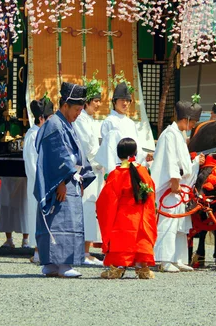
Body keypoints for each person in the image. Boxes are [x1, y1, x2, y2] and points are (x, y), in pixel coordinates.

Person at [34, 81, 95, 278]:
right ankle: (61, 264)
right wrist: (60, 182)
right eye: (77, 109)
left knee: (64, 220)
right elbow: (55, 155)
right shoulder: (54, 124)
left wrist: (82, 178)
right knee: (61, 220)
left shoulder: (66, 123)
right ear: (65, 105)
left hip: (70, 179)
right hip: (61, 181)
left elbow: (78, 154)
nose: (79, 113)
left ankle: (52, 264)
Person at [152, 100, 205, 273]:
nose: (193, 126)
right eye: (193, 122)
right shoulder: (169, 134)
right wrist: (174, 181)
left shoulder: (179, 134)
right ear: (187, 118)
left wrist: (195, 163)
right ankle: (164, 259)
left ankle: (178, 258)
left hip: (179, 187)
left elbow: (183, 163)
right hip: (171, 187)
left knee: (181, 224)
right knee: (168, 222)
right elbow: (171, 160)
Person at [97, 138, 157, 279]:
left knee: (122, 240)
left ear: (119, 154)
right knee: (141, 239)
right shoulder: (143, 171)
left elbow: (106, 199)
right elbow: (151, 194)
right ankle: (143, 268)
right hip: (141, 214)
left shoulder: (116, 174)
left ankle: (118, 267)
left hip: (123, 216)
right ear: (135, 152)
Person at [73, 74, 104, 266]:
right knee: (85, 209)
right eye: (95, 101)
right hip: (88, 169)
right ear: (86, 103)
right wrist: (102, 158)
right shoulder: (82, 121)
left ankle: (87, 250)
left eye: (100, 101)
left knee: (91, 210)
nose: (98, 104)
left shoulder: (92, 121)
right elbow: (87, 148)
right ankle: (82, 252)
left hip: (96, 168)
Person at [95, 76, 153, 174]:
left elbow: (136, 145)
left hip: (131, 166)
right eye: (122, 100)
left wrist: (144, 155)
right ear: (114, 101)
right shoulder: (109, 121)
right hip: (117, 166)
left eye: (127, 100)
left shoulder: (130, 123)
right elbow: (108, 148)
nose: (125, 103)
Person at [23, 96, 54, 263]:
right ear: (41, 118)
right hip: (38, 184)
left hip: (44, 182)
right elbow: (33, 164)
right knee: (37, 214)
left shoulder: (42, 134)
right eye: (49, 118)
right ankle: (37, 252)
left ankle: (43, 251)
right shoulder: (33, 136)